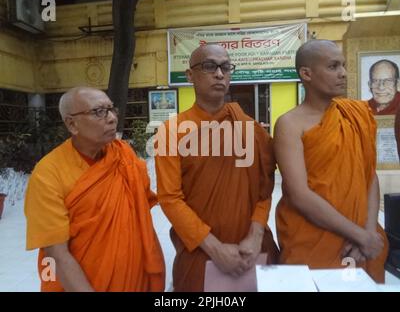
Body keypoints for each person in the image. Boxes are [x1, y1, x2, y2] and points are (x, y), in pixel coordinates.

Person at [155, 44, 278, 291]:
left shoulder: (250, 128)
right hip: (200, 251)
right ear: (190, 75)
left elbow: (264, 189)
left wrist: (254, 236)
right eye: (209, 66)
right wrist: (215, 248)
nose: (219, 74)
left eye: (225, 67)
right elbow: (170, 198)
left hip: (251, 249)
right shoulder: (172, 131)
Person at [25, 87, 165, 292]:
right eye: (99, 112)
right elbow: (57, 254)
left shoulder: (124, 155)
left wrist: (155, 268)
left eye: (111, 109)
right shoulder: (48, 175)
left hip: (137, 282)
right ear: (72, 124)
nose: (112, 118)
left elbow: (141, 219)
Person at [273, 40, 388, 283]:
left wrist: (367, 233)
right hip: (314, 239)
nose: (344, 73)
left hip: (363, 240)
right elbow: (299, 195)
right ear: (307, 74)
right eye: (333, 66)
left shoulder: (356, 113)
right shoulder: (290, 124)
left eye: (344, 65)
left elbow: (369, 175)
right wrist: (358, 234)